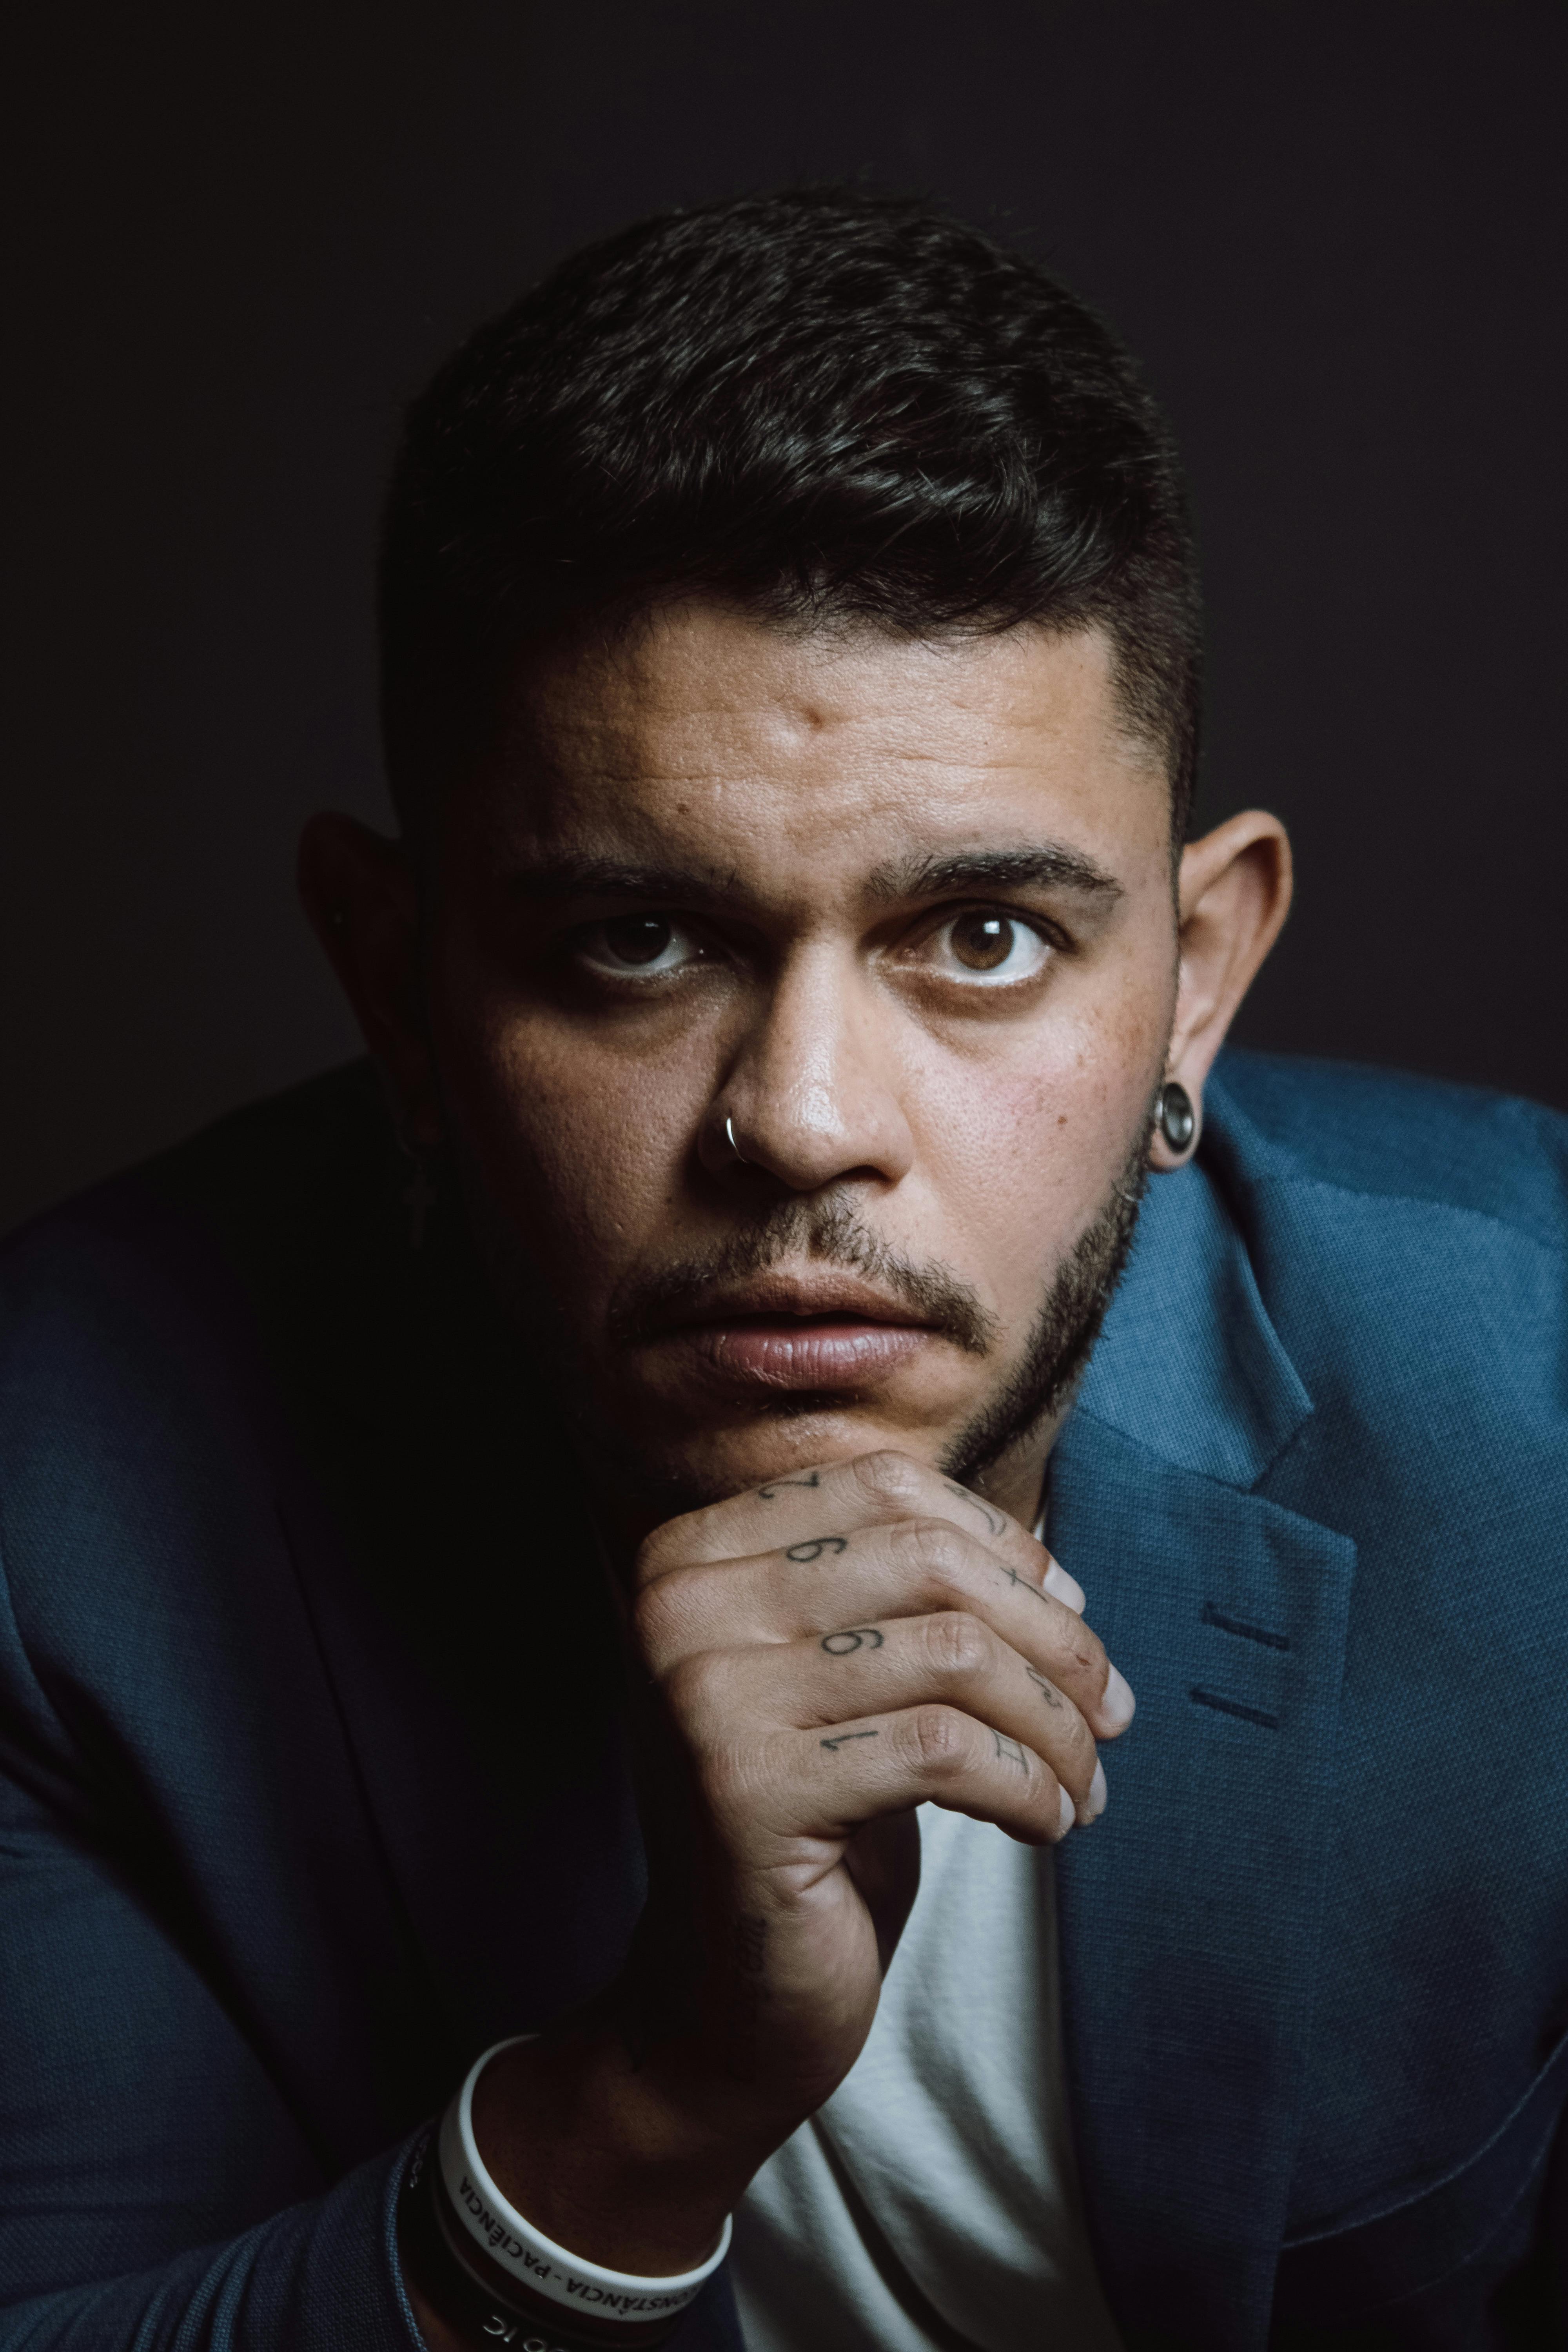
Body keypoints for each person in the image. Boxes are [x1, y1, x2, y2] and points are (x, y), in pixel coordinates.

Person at [1, 186, 1564, 2352]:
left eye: (984, 937)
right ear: (400, 984)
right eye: (635, 942)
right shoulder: (65, 1507)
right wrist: (631, 2115)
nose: (804, 1119)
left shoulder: (1540, 1411)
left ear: (1197, 976)